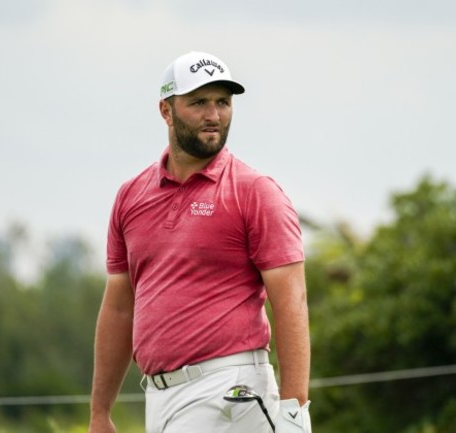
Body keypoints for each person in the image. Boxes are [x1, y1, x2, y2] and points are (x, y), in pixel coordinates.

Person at [88, 51, 311, 433]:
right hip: (159, 396)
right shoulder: (131, 196)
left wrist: (294, 409)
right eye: (199, 103)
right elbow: (120, 308)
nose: (214, 115)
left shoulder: (255, 192)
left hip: (229, 390)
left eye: (223, 102)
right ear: (166, 111)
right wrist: (99, 412)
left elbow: (291, 301)